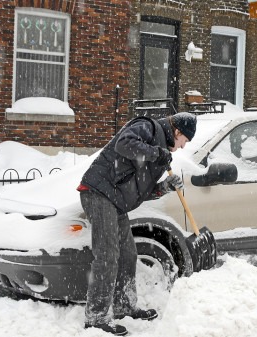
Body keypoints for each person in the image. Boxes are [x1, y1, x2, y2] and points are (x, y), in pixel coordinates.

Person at [76, 112, 197, 336]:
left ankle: (124, 305)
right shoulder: (148, 127)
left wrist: (165, 187)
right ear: (178, 132)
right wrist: (156, 153)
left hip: (116, 201)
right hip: (99, 193)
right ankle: (96, 317)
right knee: (108, 255)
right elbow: (124, 144)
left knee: (128, 255)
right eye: (184, 141)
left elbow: (142, 190)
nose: (181, 147)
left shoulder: (160, 153)